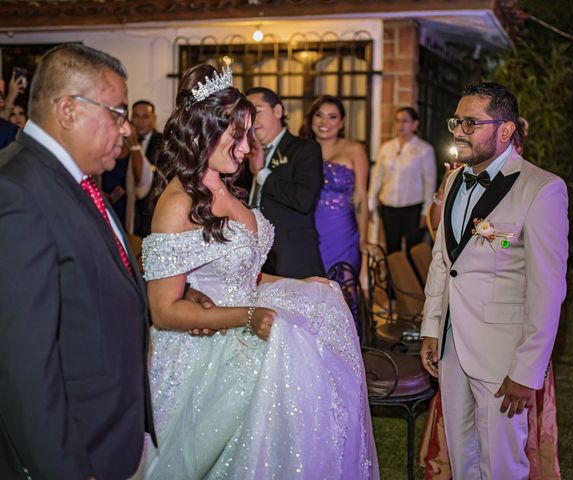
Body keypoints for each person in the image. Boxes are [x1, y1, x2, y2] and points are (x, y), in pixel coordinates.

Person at [141, 64, 378, 479]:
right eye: (237, 135)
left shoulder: (227, 189)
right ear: (200, 134)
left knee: (320, 319)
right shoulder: (178, 202)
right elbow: (164, 310)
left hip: (243, 320)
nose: (247, 146)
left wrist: (298, 283)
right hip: (204, 353)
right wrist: (248, 318)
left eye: (249, 134)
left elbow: (242, 274)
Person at [0, 43, 156, 479]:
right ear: (68, 110)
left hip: (105, 438)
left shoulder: (75, 181)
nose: (126, 131)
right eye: (117, 113)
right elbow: (22, 364)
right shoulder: (16, 192)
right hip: (72, 452)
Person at [420, 82, 568, 479]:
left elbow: (547, 289)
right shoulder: (453, 181)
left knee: (502, 464)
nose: (458, 131)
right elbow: (442, 262)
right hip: (452, 348)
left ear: (505, 131)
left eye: (471, 123)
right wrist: (432, 328)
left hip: (502, 355)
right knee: (461, 455)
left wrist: (527, 369)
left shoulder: (542, 189)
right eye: (457, 122)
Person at [244, 86, 325, 278]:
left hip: (291, 257)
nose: (252, 120)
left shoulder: (305, 149)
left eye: (258, 111)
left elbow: (303, 200)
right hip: (254, 260)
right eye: (247, 114)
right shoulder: (244, 154)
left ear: (278, 111)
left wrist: (262, 173)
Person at [300, 95, 369, 273]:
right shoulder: (300, 151)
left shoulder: (355, 150)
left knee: (341, 285)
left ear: (342, 122)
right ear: (311, 119)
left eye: (332, 117)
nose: (325, 122)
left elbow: (361, 197)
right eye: (319, 115)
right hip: (306, 229)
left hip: (342, 231)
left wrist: (364, 240)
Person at [368, 106, 437, 254]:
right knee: (392, 250)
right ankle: (393, 277)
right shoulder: (386, 147)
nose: (400, 125)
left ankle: (412, 277)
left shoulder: (424, 149)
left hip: (413, 207)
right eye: (397, 121)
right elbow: (377, 175)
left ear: (415, 124)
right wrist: (371, 201)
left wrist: (426, 211)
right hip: (389, 206)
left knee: (414, 250)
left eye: (405, 121)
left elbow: (430, 183)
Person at [131, 99, 163, 237]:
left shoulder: (164, 141)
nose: (140, 121)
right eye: (136, 116)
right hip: (128, 210)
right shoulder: (122, 143)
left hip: (152, 210)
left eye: (145, 116)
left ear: (154, 118)